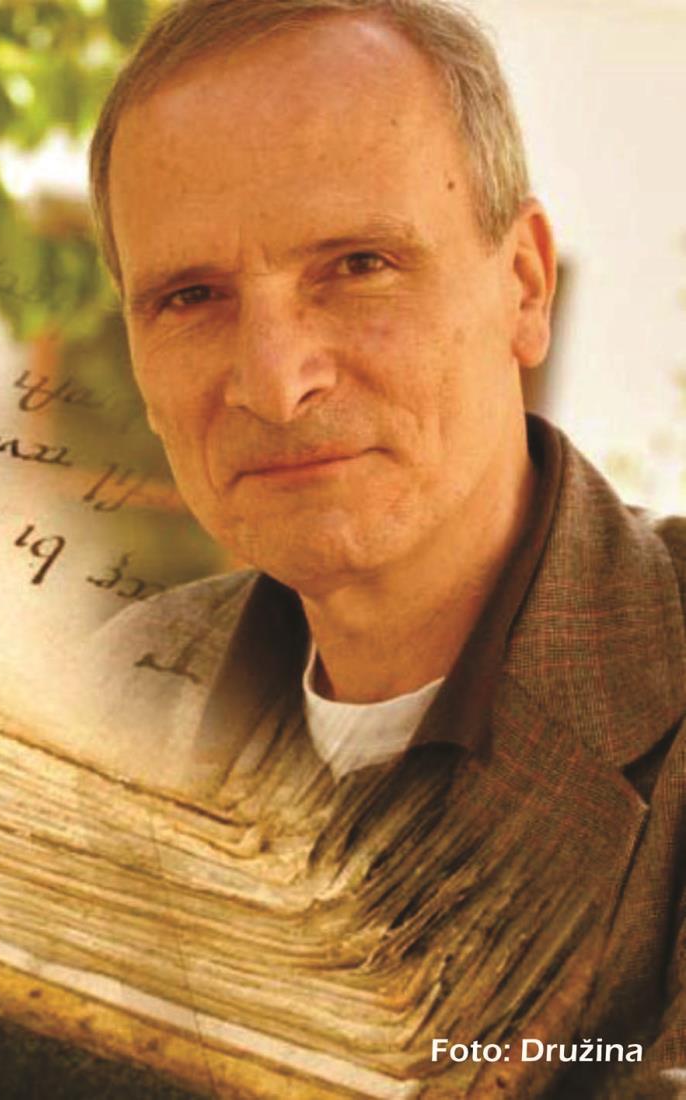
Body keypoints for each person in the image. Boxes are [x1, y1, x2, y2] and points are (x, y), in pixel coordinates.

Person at [82, 0, 685, 1094]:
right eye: (190, 296)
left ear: (524, 284)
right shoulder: (96, 695)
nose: (275, 382)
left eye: (358, 264)